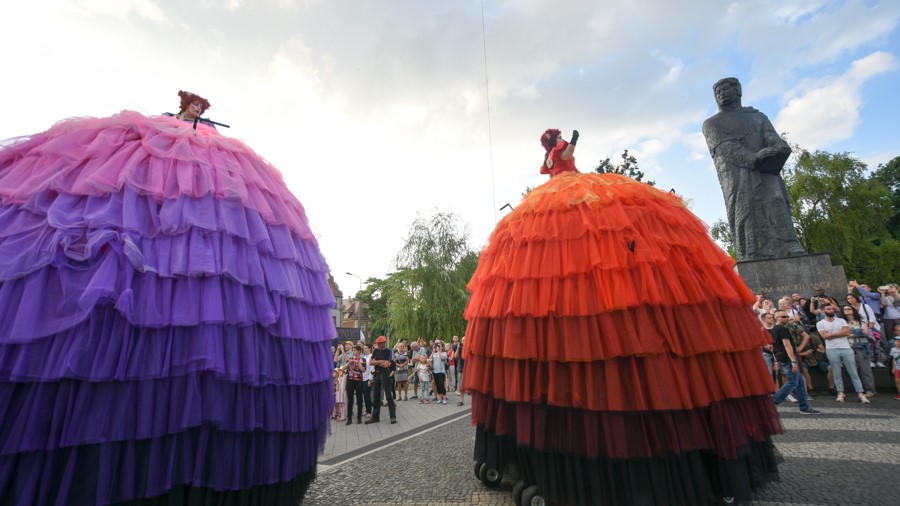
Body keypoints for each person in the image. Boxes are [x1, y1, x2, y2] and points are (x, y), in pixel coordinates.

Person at [0, 92, 334, 503]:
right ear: (184, 107)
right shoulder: (157, 131)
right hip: (159, 183)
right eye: (194, 107)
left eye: (201, 109)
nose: (197, 112)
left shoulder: (215, 143)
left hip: (209, 184)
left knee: (211, 266)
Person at [463, 128, 783, 506]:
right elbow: (570, 153)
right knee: (578, 270)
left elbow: (559, 163)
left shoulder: (551, 161)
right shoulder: (562, 152)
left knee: (563, 273)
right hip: (567, 197)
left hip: (558, 200)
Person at [702, 77, 805, 261]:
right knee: (744, 210)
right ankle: (749, 253)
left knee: (776, 200)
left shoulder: (757, 117)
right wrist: (754, 157)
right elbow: (727, 147)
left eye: (726, 89)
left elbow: (770, 136)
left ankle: (790, 243)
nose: (722, 94)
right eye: (718, 92)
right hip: (737, 176)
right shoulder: (712, 123)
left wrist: (779, 145)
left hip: (766, 170)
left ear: (738, 91)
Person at [771, 311, 821, 415]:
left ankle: (804, 407)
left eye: (787, 316)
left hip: (783, 357)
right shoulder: (783, 329)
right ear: (776, 317)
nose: (786, 318)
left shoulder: (773, 329)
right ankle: (773, 401)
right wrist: (793, 360)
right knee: (793, 382)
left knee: (800, 384)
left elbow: (774, 346)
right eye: (783, 317)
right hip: (788, 357)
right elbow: (787, 345)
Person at [818, 304, 869, 404]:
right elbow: (825, 337)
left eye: (832, 308)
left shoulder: (841, 320)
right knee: (836, 372)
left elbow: (846, 332)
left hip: (845, 347)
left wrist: (831, 334)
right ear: (823, 311)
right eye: (828, 309)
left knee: (853, 371)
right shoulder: (820, 323)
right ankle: (840, 392)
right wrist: (837, 334)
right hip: (832, 349)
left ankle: (860, 393)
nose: (831, 310)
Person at [842, 305, 876, 398]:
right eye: (845, 309)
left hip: (862, 346)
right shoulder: (843, 322)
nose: (847, 310)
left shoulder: (861, 320)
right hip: (849, 347)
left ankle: (869, 389)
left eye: (849, 309)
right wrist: (855, 332)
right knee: (854, 369)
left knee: (865, 369)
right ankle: (859, 389)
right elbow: (843, 334)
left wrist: (849, 333)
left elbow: (864, 332)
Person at [365, 336, 397, 424]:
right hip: (377, 374)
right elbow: (371, 362)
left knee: (388, 395)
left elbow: (386, 365)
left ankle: (393, 416)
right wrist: (381, 361)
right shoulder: (375, 350)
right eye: (377, 343)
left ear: (383, 343)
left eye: (379, 343)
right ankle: (375, 417)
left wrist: (377, 362)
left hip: (384, 374)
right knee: (376, 396)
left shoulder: (388, 351)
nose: (378, 345)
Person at [344, 345, 366, 425]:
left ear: (359, 351)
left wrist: (359, 363)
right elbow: (344, 368)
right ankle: (349, 418)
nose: (354, 352)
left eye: (355, 350)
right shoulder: (350, 358)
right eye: (353, 350)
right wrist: (349, 363)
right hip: (350, 380)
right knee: (350, 400)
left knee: (359, 399)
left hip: (359, 381)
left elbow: (363, 370)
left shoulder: (363, 359)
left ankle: (359, 417)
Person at [430, 340, 449, 405]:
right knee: (437, 385)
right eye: (437, 346)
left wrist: (438, 351)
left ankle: (444, 398)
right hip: (435, 371)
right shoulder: (434, 354)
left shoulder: (444, 353)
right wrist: (433, 350)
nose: (437, 347)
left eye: (439, 346)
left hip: (441, 371)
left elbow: (443, 358)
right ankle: (440, 398)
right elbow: (430, 359)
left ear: (442, 347)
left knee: (441, 384)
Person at [890, 331, 900, 400]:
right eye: (896, 341)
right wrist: (893, 368)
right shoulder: (893, 349)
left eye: (899, 341)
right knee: (897, 381)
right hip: (897, 368)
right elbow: (894, 359)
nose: (897, 343)